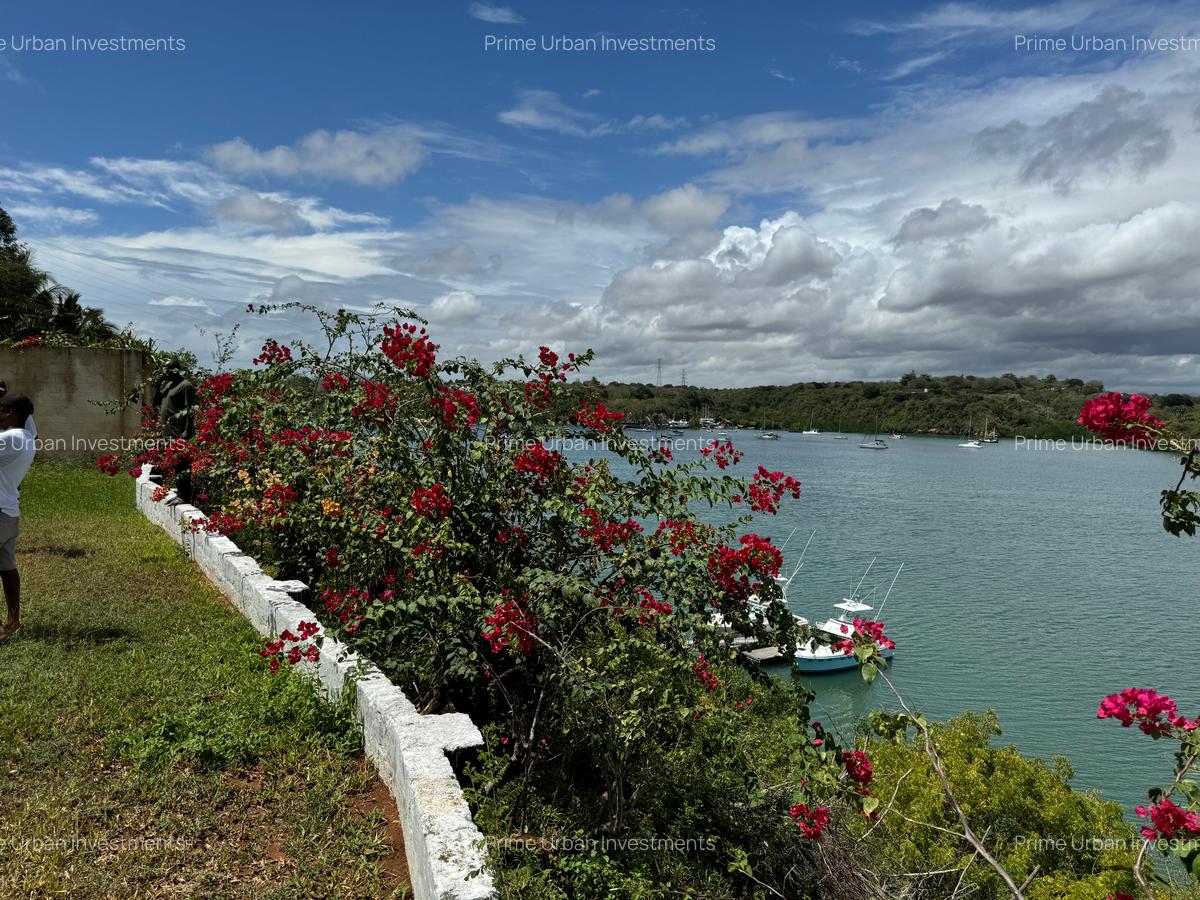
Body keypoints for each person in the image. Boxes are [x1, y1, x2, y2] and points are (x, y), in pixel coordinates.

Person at [0, 393, 36, 641]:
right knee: (7, 568)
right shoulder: (27, 437)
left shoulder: (10, 438)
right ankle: (13, 622)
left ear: (10, 413)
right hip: (9, 511)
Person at [152, 360, 195, 502]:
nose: (165, 373)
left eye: (167, 370)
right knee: (176, 464)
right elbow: (156, 402)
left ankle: (184, 496)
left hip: (179, 432)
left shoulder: (185, 386)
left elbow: (190, 410)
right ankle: (180, 494)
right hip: (169, 432)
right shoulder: (169, 385)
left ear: (175, 370)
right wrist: (158, 384)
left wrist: (186, 432)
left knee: (182, 465)